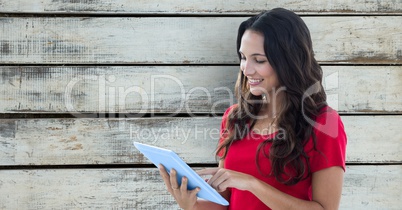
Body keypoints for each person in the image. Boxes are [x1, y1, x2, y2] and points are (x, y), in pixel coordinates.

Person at [159, 8, 347, 210]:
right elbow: (225, 203)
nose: (246, 70)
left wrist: (251, 184)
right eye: (243, 57)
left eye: (259, 60)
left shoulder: (323, 122)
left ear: (289, 61)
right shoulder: (235, 118)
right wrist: (191, 203)